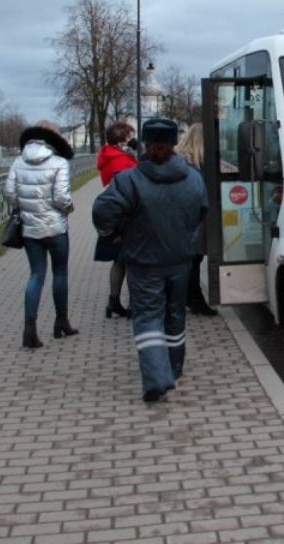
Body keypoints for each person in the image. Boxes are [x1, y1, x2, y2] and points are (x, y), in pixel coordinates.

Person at [92, 118, 208, 403]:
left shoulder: (129, 179)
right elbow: (201, 210)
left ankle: (157, 377)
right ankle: (174, 368)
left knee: (147, 317)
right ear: (172, 144)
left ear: (144, 143)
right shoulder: (193, 177)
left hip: (143, 261)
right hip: (181, 259)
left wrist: (114, 233)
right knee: (175, 314)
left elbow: (102, 212)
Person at [4, 119, 78, 349]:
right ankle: (61, 321)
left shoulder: (18, 161)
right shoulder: (59, 162)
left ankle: (30, 328)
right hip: (55, 228)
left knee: (36, 274)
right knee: (60, 273)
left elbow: (9, 193)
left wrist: (25, 209)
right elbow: (61, 198)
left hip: (29, 228)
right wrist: (69, 209)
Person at [95, 121, 138, 319]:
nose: (133, 140)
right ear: (121, 139)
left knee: (119, 260)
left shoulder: (111, 155)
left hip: (116, 211)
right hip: (124, 214)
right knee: (129, 259)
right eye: (129, 136)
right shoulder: (120, 160)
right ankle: (132, 304)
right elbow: (127, 188)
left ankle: (114, 301)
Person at [177, 123, 217, 316]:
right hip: (192, 219)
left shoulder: (181, 161)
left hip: (183, 219)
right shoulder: (193, 166)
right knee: (194, 260)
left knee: (193, 260)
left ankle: (190, 298)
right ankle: (194, 299)